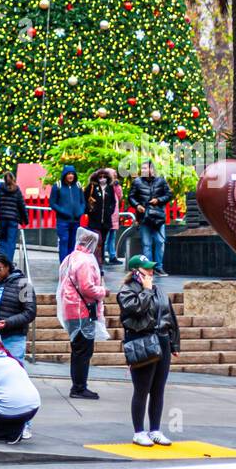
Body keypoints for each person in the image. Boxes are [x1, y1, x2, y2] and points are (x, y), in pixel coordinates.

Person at [117, 255, 181, 447]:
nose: (151, 273)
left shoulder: (158, 290)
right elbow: (136, 310)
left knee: (158, 389)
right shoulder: (126, 291)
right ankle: (139, 431)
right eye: (147, 270)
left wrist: (174, 343)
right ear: (136, 272)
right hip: (142, 342)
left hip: (161, 341)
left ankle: (155, 429)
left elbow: (170, 316)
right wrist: (145, 291)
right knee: (142, 389)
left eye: (152, 269)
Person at [56, 227, 107, 400]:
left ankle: (78, 386)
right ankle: (79, 387)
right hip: (81, 310)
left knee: (78, 350)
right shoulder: (85, 261)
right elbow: (87, 288)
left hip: (72, 309)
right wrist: (103, 291)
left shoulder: (71, 257)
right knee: (83, 352)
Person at [0, 251, 37, 374]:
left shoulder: (23, 284)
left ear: (7, 266)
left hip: (15, 336)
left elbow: (30, 312)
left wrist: (8, 322)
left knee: (14, 370)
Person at [129, 160, 173, 275]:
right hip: (144, 217)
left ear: (152, 169)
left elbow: (169, 195)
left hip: (158, 217)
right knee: (146, 244)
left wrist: (158, 200)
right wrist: (137, 205)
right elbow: (131, 197)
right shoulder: (137, 182)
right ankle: (148, 268)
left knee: (160, 242)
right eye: (142, 168)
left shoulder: (161, 180)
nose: (143, 170)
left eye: (145, 168)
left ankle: (159, 266)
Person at [0, 170, 29, 262]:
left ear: (4, 180)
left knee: (3, 240)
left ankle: (2, 261)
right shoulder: (17, 190)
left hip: (2, 219)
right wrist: (25, 220)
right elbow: (22, 206)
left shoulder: (0, 189)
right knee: (11, 241)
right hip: (13, 219)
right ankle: (9, 261)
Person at [49, 164, 86, 262]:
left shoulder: (78, 185)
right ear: (64, 175)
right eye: (68, 174)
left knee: (73, 242)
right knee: (64, 241)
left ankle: (71, 265)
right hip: (63, 221)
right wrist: (63, 211)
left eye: (72, 174)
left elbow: (83, 201)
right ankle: (64, 265)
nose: (71, 176)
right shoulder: (57, 186)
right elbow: (52, 203)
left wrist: (80, 211)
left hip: (76, 220)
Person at [84, 168, 117, 269]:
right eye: (100, 177)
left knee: (102, 241)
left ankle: (100, 260)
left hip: (106, 220)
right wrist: (89, 211)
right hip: (94, 219)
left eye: (104, 177)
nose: (102, 179)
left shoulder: (110, 188)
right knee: (97, 240)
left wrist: (109, 211)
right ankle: (94, 260)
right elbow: (85, 199)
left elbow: (113, 202)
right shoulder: (92, 187)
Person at [103, 169, 124, 267]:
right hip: (106, 215)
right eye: (113, 175)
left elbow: (120, 196)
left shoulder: (115, 186)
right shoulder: (104, 185)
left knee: (112, 237)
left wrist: (117, 186)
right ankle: (102, 256)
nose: (115, 176)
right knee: (105, 238)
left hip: (114, 215)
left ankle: (112, 256)